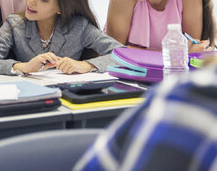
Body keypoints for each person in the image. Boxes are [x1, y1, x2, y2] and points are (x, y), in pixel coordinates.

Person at [74, 57, 217, 171]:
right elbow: (122, 51)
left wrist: (88, 64)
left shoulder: (80, 27)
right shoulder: (193, 98)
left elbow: (115, 48)